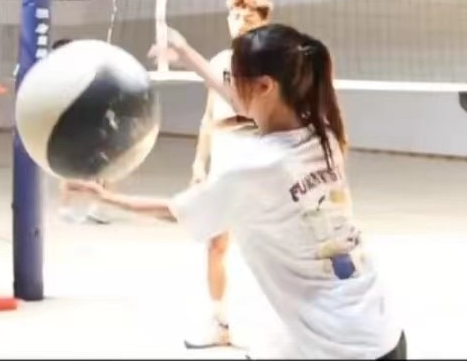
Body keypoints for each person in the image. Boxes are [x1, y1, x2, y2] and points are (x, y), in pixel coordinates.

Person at [68, 23, 405, 360]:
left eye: (233, 78)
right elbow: (241, 100)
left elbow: (177, 212)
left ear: (264, 86)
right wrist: (186, 53)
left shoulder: (255, 168)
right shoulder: (322, 132)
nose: (228, 86)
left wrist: (106, 198)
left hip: (341, 348)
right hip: (380, 329)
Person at [185, 0, 273, 349]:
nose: (240, 24)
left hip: (258, 165)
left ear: (263, 23)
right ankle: (220, 323)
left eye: (248, 19)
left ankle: (274, 328)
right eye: (235, 17)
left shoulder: (274, 63)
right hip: (223, 164)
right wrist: (199, 162)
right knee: (216, 244)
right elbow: (209, 115)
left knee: (266, 251)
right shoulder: (220, 60)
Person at [50, 39, 110, 225]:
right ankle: (96, 206)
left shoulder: (60, 74)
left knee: (81, 171)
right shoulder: (71, 75)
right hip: (81, 129)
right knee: (104, 170)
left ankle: (74, 207)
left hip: (74, 129)